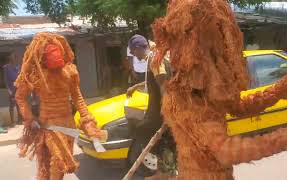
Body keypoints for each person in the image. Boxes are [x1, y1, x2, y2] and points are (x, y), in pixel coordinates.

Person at [15, 32, 106, 180]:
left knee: (63, 165)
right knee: (58, 163)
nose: (55, 55)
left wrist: (88, 121)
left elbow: (78, 97)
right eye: (50, 52)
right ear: (42, 56)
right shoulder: (36, 75)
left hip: (68, 125)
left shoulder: (69, 72)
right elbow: (20, 97)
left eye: (56, 51)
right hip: (50, 126)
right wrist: (29, 118)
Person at [126, 35, 176, 176]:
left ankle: (169, 171)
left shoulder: (154, 60)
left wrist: (167, 112)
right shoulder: (155, 58)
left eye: (133, 52)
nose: (134, 56)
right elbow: (153, 81)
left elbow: (163, 84)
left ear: (137, 48)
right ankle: (167, 170)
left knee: (144, 131)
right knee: (162, 144)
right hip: (160, 112)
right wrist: (135, 86)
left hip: (160, 113)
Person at [3, 52, 22, 126]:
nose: (14, 58)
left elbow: (21, 78)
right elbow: (5, 80)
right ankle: (12, 122)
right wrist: (9, 90)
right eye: (13, 57)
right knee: (12, 105)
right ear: (10, 58)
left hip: (18, 88)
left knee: (19, 104)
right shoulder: (6, 67)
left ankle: (19, 120)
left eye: (15, 57)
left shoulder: (18, 67)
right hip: (11, 89)